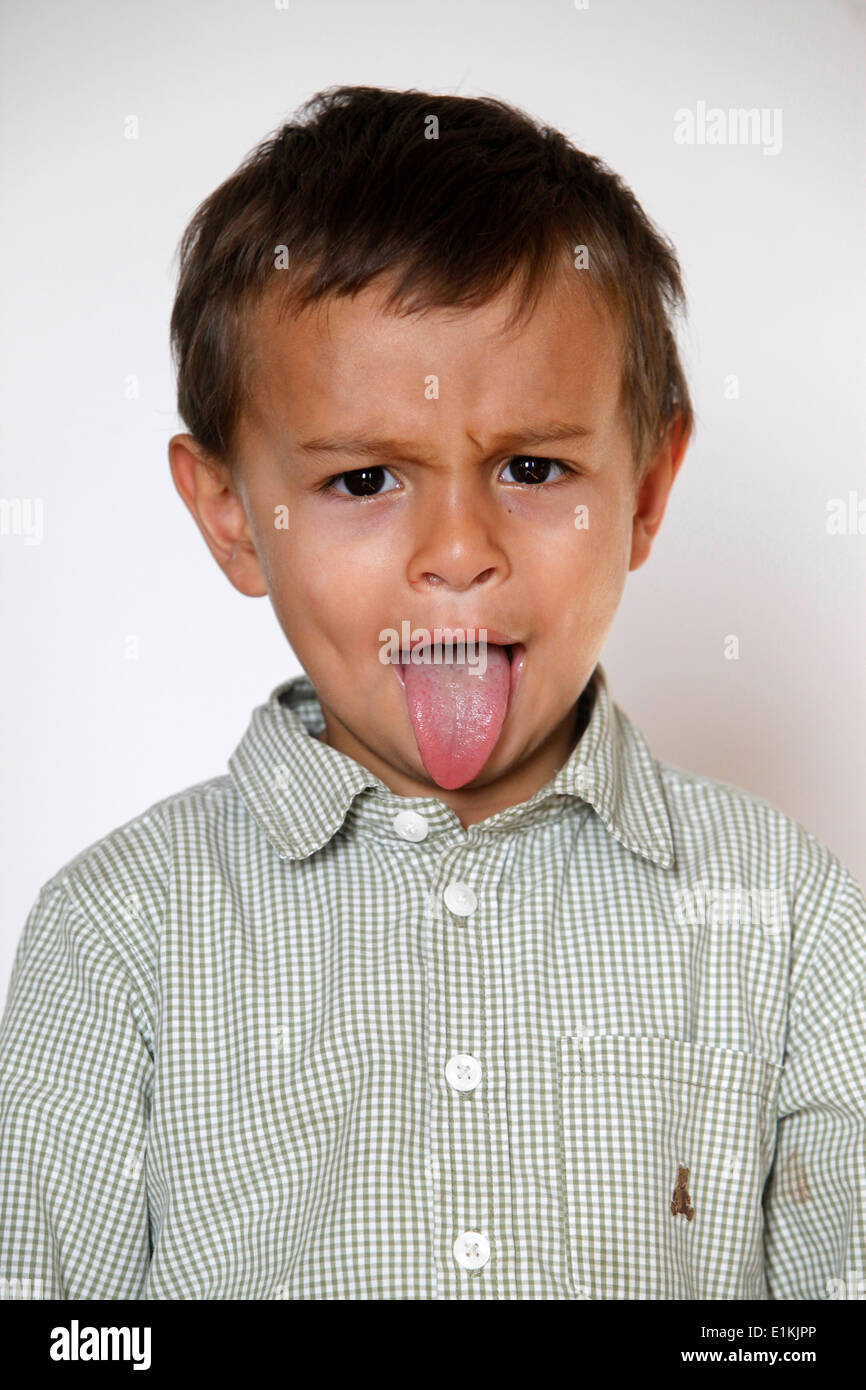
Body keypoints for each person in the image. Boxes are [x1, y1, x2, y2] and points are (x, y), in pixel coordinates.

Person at [1, 84, 863, 1301]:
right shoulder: (116, 938)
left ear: (645, 491)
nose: (456, 549)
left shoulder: (787, 918)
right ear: (233, 516)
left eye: (530, 466)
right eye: (362, 479)